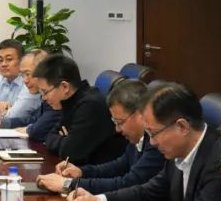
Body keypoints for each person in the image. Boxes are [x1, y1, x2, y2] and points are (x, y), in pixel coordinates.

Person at [67, 82, 221, 201]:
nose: (152, 142)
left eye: (153, 133)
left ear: (182, 127)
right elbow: (147, 192)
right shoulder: (178, 151)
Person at [35, 79, 165, 194]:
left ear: (140, 114)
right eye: (115, 122)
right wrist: (82, 171)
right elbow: (120, 165)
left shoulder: (156, 143)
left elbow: (128, 183)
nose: (117, 129)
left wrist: (69, 184)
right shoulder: (137, 138)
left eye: (120, 122)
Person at [32, 54, 125, 165]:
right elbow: (49, 137)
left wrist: (65, 140)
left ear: (65, 87)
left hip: (100, 171)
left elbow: (70, 153)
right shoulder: (69, 102)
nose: (43, 98)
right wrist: (65, 140)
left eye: (45, 92)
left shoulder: (90, 105)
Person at [0, 48, 47, 129]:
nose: (3, 64)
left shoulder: (43, 94)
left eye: (9, 59)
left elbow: (14, 115)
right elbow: (32, 119)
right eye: (0, 60)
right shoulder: (2, 78)